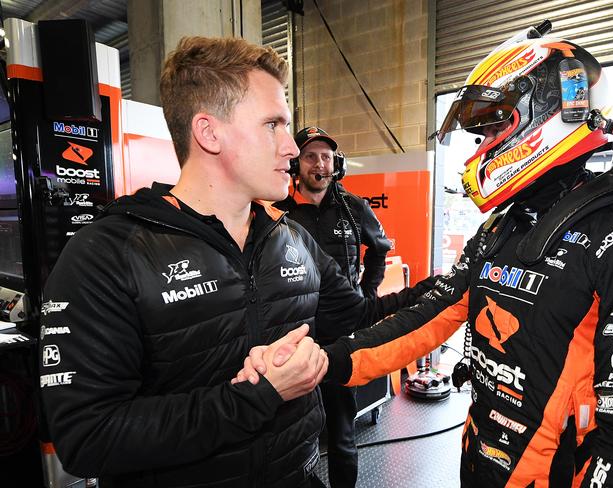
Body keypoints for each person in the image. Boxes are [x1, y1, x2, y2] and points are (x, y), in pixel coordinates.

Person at [236, 22, 613, 487]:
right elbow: (422, 320)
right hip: (480, 460)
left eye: (497, 125)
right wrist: (323, 362)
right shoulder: (500, 229)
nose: (484, 142)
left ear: (550, 115)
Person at [38, 36, 435, 488]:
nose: (291, 147)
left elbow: (361, 318)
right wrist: (257, 396)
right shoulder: (107, 254)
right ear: (209, 133)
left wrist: (458, 283)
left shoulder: (292, 239)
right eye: (273, 125)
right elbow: (87, 438)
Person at [275, 126, 392, 487]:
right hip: (292, 336)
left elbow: (379, 252)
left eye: (326, 157)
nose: (320, 164)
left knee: (343, 430)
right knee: (291, 429)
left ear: (336, 164)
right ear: (296, 163)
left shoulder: (354, 208)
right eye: (311, 156)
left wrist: (367, 298)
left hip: (342, 335)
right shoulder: (277, 210)